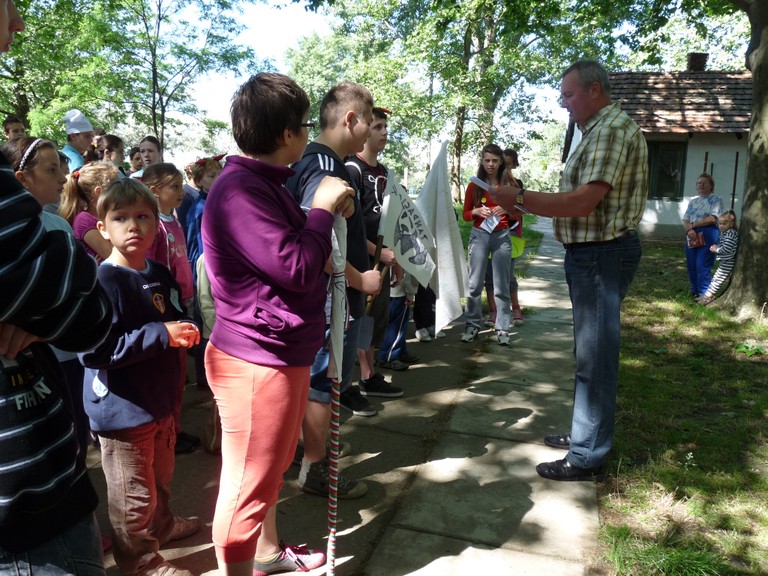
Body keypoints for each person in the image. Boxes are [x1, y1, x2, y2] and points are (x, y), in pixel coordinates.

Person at [202, 72, 356, 576]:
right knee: (246, 489)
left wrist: (323, 213)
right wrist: (321, 209)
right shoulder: (239, 192)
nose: (309, 134)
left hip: (276, 355)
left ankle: (265, 555)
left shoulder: (264, 184)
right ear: (287, 133)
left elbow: (295, 256)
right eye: (306, 125)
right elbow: (297, 266)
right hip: (256, 361)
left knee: (266, 475)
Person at [0, 5, 115, 572]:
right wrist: (55, 263)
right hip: (24, 519)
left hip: (44, 481)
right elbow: (85, 299)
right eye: (8, 4)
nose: (19, 23)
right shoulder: (65, 224)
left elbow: (92, 309)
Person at [494, 60, 647, 481]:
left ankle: (586, 456)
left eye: (568, 94)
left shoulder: (610, 130)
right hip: (594, 253)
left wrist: (520, 198)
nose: (563, 103)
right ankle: (585, 435)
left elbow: (583, 202)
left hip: (602, 254)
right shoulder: (598, 129)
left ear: (594, 90)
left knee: (595, 359)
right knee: (588, 355)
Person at [79, 178, 202, 576]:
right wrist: (161, 334)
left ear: (157, 224)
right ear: (103, 228)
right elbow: (96, 350)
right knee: (133, 494)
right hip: (122, 411)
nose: (134, 226)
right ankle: (140, 562)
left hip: (159, 402)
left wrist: (183, 328)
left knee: (160, 479)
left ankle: (162, 527)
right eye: (121, 218)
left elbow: (171, 315)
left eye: (143, 216)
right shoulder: (103, 281)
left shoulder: (160, 272)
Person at [286, 81, 381, 498]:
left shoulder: (318, 161)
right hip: (328, 301)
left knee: (320, 382)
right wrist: (361, 280)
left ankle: (309, 450)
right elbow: (316, 238)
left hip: (328, 298)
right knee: (322, 384)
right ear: (350, 119)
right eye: (370, 120)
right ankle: (315, 468)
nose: (371, 129)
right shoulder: (325, 167)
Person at [345, 107, 412, 380]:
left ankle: (369, 376)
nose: (384, 133)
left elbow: (392, 220)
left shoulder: (385, 173)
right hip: (359, 262)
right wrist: (377, 252)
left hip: (383, 261)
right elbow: (349, 226)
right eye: (377, 127)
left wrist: (396, 259)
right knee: (359, 318)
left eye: (386, 127)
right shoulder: (352, 169)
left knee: (376, 319)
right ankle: (359, 377)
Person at [143, 162, 201, 454]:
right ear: (155, 191)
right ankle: (167, 432)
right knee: (169, 373)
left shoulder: (174, 220)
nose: (181, 192)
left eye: (180, 185)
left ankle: (174, 429)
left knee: (178, 373)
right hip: (166, 307)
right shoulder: (154, 226)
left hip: (181, 303)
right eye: (174, 187)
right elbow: (151, 268)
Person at [461, 143, 514, 346]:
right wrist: (476, 211)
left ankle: (503, 328)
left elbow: (519, 211)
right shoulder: (475, 185)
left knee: (502, 285)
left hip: (502, 236)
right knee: (474, 284)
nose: (490, 164)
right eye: (487, 160)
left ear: (501, 162)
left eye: (494, 160)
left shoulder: (509, 184)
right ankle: (472, 325)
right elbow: (466, 215)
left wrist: (506, 210)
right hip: (479, 235)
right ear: (482, 162)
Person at [59, 160, 120, 262]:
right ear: (98, 192)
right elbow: (113, 257)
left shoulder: (107, 216)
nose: (122, 192)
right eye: (117, 188)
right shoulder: (84, 219)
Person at [682, 173, 723, 297]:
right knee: (691, 263)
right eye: (699, 183)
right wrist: (689, 230)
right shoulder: (693, 201)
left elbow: (712, 218)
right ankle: (694, 290)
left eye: (705, 183)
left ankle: (704, 293)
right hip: (692, 233)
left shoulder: (716, 199)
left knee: (702, 264)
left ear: (711, 185)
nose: (701, 185)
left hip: (708, 232)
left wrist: (693, 225)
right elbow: (686, 219)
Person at [698, 210, 739, 304]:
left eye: (724, 224)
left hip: (728, 261)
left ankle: (708, 296)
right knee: (716, 277)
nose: (721, 226)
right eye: (719, 224)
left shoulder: (730, 233)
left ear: (731, 224)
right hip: (725, 260)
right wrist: (717, 247)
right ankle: (708, 295)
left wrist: (716, 249)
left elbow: (727, 248)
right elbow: (724, 245)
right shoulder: (725, 233)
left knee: (718, 278)